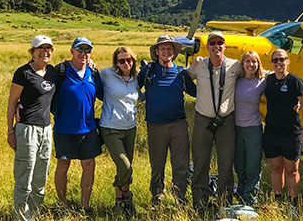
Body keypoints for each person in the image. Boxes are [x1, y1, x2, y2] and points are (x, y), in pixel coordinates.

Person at [187, 31, 243, 212]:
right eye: (212, 43)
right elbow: (182, 77)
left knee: (226, 165)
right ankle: (199, 204)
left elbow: (256, 72)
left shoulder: (235, 66)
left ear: (225, 46)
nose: (216, 46)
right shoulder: (199, 65)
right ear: (207, 47)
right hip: (203, 120)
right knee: (200, 163)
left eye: (220, 43)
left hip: (226, 121)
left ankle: (224, 204)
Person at [138, 35, 196, 206]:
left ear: (174, 51)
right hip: (155, 125)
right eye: (162, 48)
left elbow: (196, 92)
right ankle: (157, 197)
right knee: (157, 164)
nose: (166, 52)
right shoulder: (148, 70)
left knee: (181, 164)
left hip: (178, 124)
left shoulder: (180, 73)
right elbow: (131, 86)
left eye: (169, 48)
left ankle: (180, 199)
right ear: (156, 51)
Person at [51, 37, 102, 215]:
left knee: (89, 165)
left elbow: (104, 94)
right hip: (64, 128)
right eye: (79, 50)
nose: (83, 54)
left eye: (87, 50)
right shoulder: (60, 71)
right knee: (63, 165)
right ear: (72, 51)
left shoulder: (93, 73)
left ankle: (85, 206)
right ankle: (62, 205)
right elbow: (42, 91)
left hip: (88, 129)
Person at [6, 35, 55, 221]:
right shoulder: (23, 73)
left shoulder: (52, 72)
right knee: (24, 177)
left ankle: (34, 215)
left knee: (41, 178)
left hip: (46, 129)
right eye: (40, 48)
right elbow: (12, 104)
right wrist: (10, 131)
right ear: (33, 52)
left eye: (48, 48)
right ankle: (20, 217)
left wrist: (90, 64)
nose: (45, 52)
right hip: (27, 129)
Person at [263, 48, 303, 217]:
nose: (278, 63)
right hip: (271, 132)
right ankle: (276, 201)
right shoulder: (268, 80)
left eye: (282, 60)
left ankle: (293, 205)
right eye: (275, 60)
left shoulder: (295, 81)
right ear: (271, 63)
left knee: (291, 170)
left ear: (287, 61)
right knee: (276, 168)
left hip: (291, 133)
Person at [96, 46, 140, 217]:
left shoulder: (136, 78)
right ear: (116, 62)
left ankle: (120, 203)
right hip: (110, 127)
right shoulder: (107, 74)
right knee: (125, 166)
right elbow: (94, 86)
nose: (126, 63)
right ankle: (126, 195)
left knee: (127, 167)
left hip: (130, 127)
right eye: (121, 60)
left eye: (129, 59)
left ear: (133, 60)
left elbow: (139, 96)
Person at [233, 50, 268, 206]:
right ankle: (240, 195)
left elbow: (281, 80)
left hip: (253, 128)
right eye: (248, 61)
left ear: (258, 64)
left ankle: (251, 199)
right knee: (239, 164)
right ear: (243, 64)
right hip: (235, 128)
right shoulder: (236, 80)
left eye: (254, 61)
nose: (251, 65)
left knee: (253, 166)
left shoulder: (263, 81)